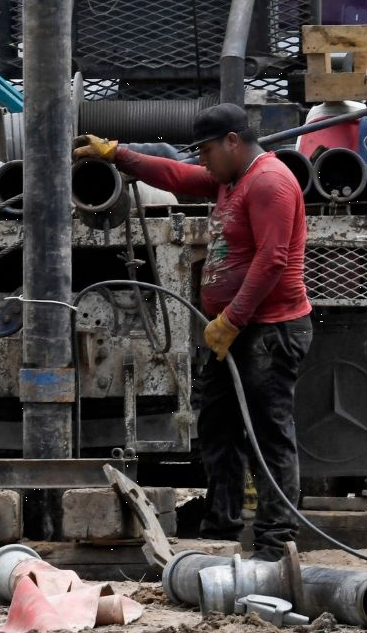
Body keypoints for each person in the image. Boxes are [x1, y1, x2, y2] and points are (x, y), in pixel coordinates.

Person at [74, 103, 313, 562]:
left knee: (269, 433)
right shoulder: (231, 178)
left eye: (205, 149)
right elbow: (177, 177)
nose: (201, 159)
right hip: (238, 332)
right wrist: (118, 154)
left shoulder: (269, 181)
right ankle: (221, 528)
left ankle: (275, 542)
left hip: (269, 331)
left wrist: (233, 318)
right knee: (218, 427)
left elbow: (273, 260)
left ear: (232, 141)